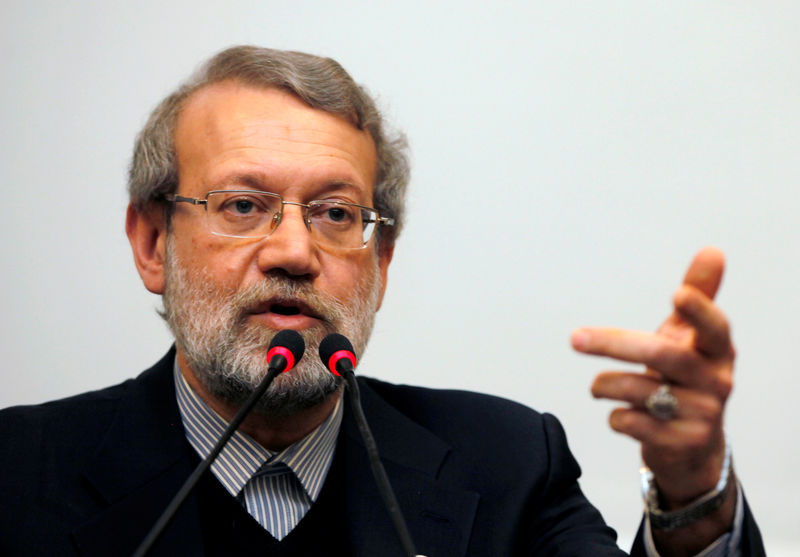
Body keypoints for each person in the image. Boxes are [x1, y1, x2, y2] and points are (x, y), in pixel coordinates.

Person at [0, 46, 764, 556]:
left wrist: (694, 486)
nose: (295, 251)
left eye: (335, 214)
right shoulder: (18, 475)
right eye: (242, 204)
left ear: (381, 260)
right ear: (151, 243)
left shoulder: (505, 466)